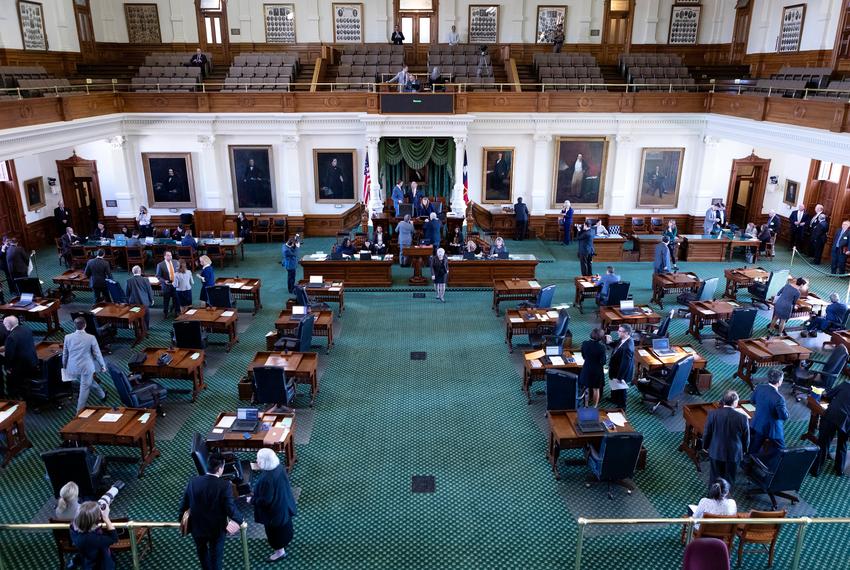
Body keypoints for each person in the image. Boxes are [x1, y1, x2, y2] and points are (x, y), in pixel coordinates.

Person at [179, 453, 243, 570]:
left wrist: (182, 522)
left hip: (197, 527)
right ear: (220, 469)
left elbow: (183, 505)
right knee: (216, 557)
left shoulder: (193, 482)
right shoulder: (224, 485)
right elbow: (230, 508)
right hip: (216, 529)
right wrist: (239, 520)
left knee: (202, 553)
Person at [249, 448, 297, 563]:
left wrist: (252, 500)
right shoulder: (279, 468)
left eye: (258, 459)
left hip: (273, 513)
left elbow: (266, 500)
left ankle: (280, 553)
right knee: (285, 527)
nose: (257, 460)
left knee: (274, 534)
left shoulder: (267, 479)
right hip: (284, 504)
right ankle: (285, 543)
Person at [702, 390, 749, 487]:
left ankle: (713, 497)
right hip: (734, 453)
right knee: (730, 479)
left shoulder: (713, 414)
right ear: (735, 402)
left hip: (716, 451)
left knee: (714, 477)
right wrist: (745, 450)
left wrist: (705, 446)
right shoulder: (743, 418)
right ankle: (727, 498)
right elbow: (746, 437)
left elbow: (707, 433)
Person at [63, 316, 107, 413]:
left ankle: (102, 395)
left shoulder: (67, 337)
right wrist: (103, 365)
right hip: (86, 367)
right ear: (85, 325)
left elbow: (65, 354)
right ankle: (79, 411)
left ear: (74, 326)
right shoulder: (91, 338)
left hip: (72, 367)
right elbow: (97, 353)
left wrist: (65, 367)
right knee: (84, 387)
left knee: (88, 381)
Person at [810, 381, 850, 477]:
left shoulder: (845, 385)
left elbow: (828, 395)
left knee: (823, 443)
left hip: (832, 415)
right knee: (842, 444)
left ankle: (816, 470)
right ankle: (839, 470)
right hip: (847, 421)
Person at [749, 368, 789, 462]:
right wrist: (787, 413)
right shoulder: (779, 398)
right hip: (772, 428)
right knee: (781, 449)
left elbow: (752, 401)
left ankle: (748, 464)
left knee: (755, 446)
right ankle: (774, 466)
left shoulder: (759, 387)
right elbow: (783, 416)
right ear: (779, 381)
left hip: (758, 423)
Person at [70, 501, 118, 570]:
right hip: (98, 565)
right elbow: (114, 538)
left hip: (87, 556)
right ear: (95, 520)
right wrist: (105, 518)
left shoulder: (73, 527)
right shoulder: (91, 538)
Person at [3, 316, 37, 397]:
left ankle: (14, 397)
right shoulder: (26, 329)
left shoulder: (11, 337)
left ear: (8, 325)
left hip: (22, 367)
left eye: (4, 323)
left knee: (7, 373)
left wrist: (7, 368)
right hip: (33, 361)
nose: (3, 325)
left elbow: (9, 356)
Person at [607, 325, 634, 409]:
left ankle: (622, 406)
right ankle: (614, 398)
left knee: (621, 389)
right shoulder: (623, 339)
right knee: (613, 383)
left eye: (620, 331)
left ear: (626, 333)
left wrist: (620, 377)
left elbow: (625, 364)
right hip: (615, 367)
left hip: (621, 371)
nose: (617, 332)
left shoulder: (628, 347)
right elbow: (616, 344)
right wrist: (609, 342)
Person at [578, 328, 606, 408]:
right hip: (597, 370)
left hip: (587, 368)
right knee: (596, 389)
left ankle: (586, 404)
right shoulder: (602, 347)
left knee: (586, 387)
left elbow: (583, 356)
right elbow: (603, 362)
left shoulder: (585, 343)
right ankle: (595, 406)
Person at [125, 265, 154, 331]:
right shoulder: (146, 280)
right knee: (146, 316)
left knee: (136, 316)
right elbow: (149, 291)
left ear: (133, 272)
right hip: (145, 302)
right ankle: (146, 328)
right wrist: (151, 299)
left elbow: (127, 294)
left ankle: (137, 328)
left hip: (134, 303)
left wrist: (127, 303)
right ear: (140, 271)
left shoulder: (129, 281)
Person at [155, 251, 180, 318]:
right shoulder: (160, 265)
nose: (170, 257)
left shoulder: (176, 262)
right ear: (165, 256)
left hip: (175, 284)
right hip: (166, 285)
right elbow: (158, 276)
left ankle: (177, 312)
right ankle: (165, 313)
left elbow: (179, 272)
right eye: (168, 255)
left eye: (171, 255)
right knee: (166, 299)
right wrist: (164, 281)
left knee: (176, 298)